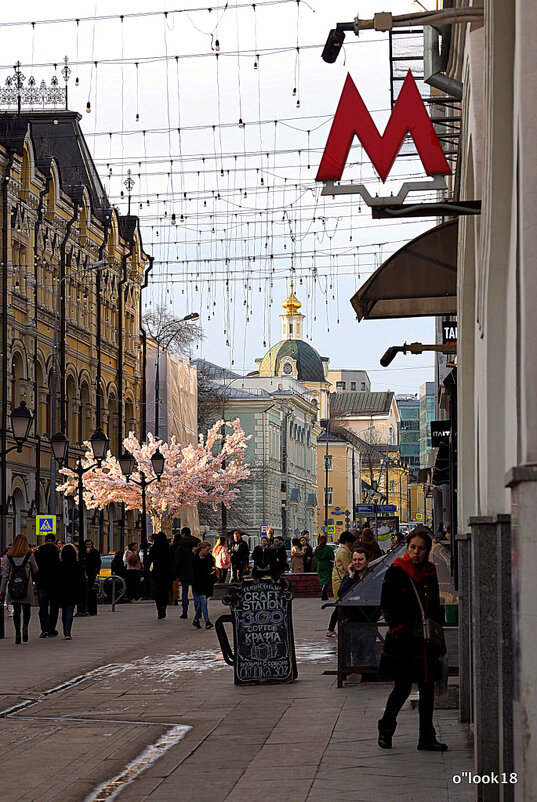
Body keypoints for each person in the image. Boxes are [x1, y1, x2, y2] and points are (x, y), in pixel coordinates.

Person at [378, 526, 448, 752]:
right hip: (403, 640)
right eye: (412, 547)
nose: (416, 552)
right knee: (403, 688)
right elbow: (387, 605)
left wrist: (439, 639)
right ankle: (386, 729)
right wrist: (399, 628)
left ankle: (426, 737)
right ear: (407, 548)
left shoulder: (430, 571)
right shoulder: (397, 570)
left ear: (427, 550)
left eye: (421, 548)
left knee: (427, 688)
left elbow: (435, 606)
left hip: (425, 641)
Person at [0, 534, 38, 644]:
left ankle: (17, 633)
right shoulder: (29, 555)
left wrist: (1, 589)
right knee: (27, 609)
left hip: (14, 587)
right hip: (26, 587)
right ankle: (25, 627)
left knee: (16, 610)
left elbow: (6, 574)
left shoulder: (10, 556)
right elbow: (35, 570)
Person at [326, 532, 355, 637]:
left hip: (340, 580)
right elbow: (348, 567)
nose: (352, 544)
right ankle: (331, 629)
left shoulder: (342, 550)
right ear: (347, 541)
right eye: (351, 542)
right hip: (341, 581)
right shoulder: (343, 552)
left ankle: (335, 628)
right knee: (340, 605)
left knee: (341, 606)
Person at [57, 543, 86, 639]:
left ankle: (65, 628)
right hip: (73, 590)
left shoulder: (59, 565)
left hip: (62, 590)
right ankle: (67, 631)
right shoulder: (78, 565)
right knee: (70, 611)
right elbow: (82, 579)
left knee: (64, 611)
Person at [35, 532, 60, 638]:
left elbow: (34, 568)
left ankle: (44, 629)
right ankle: (52, 628)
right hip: (54, 583)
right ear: (54, 541)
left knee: (43, 607)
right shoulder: (57, 552)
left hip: (42, 583)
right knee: (54, 607)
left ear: (44, 540)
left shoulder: (38, 551)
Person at [174, 526, 201, 619]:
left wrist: (177, 573)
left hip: (184, 571)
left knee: (184, 592)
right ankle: (198, 610)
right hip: (195, 571)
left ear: (183, 534)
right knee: (195, 592)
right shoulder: (197, 542)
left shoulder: (180, 545)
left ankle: (184, 611)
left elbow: (178, 560)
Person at [146, 532, 173, 619]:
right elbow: (173, 561)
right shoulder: (168, 548)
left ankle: (159, 610)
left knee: (158, 591)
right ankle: (163, 607)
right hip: (167, 572)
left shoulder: (153, 548)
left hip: (157, 572)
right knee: (165, 591)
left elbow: (149, 560)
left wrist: (145, 570)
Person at [191, 541, 216, 629]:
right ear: (202, 549)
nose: (208, 552)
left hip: (207, 583)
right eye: (207, 550)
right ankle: (207, 621)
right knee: (203, 601)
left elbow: (211, 569)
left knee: (202, 602)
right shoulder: (195, 559)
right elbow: (193, 572)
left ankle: (196, 620)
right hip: (198, 583)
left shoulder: (209, 558)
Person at [80, 539, 101, 616]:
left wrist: (97, 570)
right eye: (87, 544)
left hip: (92, 571)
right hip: (85, 571)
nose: (89, 546)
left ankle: (90, 606)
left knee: (90, 586)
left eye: (90, 544)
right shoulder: (82, 552)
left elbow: (98, 561)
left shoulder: (95, 551)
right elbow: (83, 561)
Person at [314, 535, 334, 600]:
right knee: (327, 578)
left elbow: (316, 556)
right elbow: (331, 557)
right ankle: (324, 591)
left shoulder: (317, 548)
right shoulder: (328, 548)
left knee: (321, 578)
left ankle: (323, 591)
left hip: (319, 564)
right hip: (326, 564)